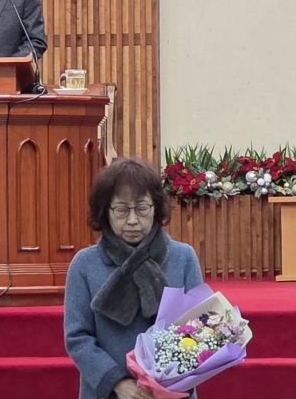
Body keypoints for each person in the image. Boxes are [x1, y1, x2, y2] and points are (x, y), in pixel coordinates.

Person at [64, 157, 204, 399]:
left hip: (171, 392)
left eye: (141, 208)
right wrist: (117, 382)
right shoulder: (85, 264)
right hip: (109, 393)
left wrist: (165, 383)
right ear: (105, 212)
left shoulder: (183, 257)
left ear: (156, 208)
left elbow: (198, 328)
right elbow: (77, 337)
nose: (132, 220)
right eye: (121, 210)